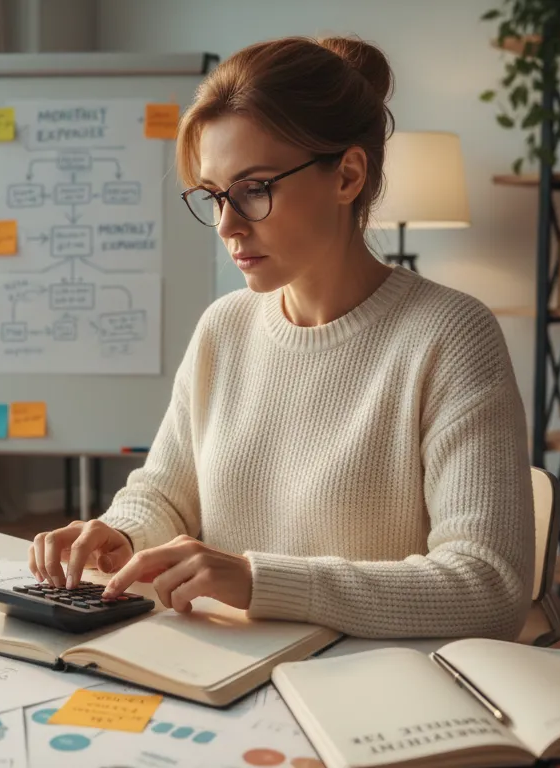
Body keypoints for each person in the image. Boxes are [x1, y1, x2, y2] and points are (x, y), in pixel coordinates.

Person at [27, 35, 533, 640]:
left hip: (372, 691)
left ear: (348, 175)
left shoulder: (450, 336)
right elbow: (167, 494)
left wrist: (256, 580)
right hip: (226, 669)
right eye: (214, 195)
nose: (227, 225)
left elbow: (490, 585)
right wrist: (122, 534)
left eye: (255, 188)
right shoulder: (225, 327)